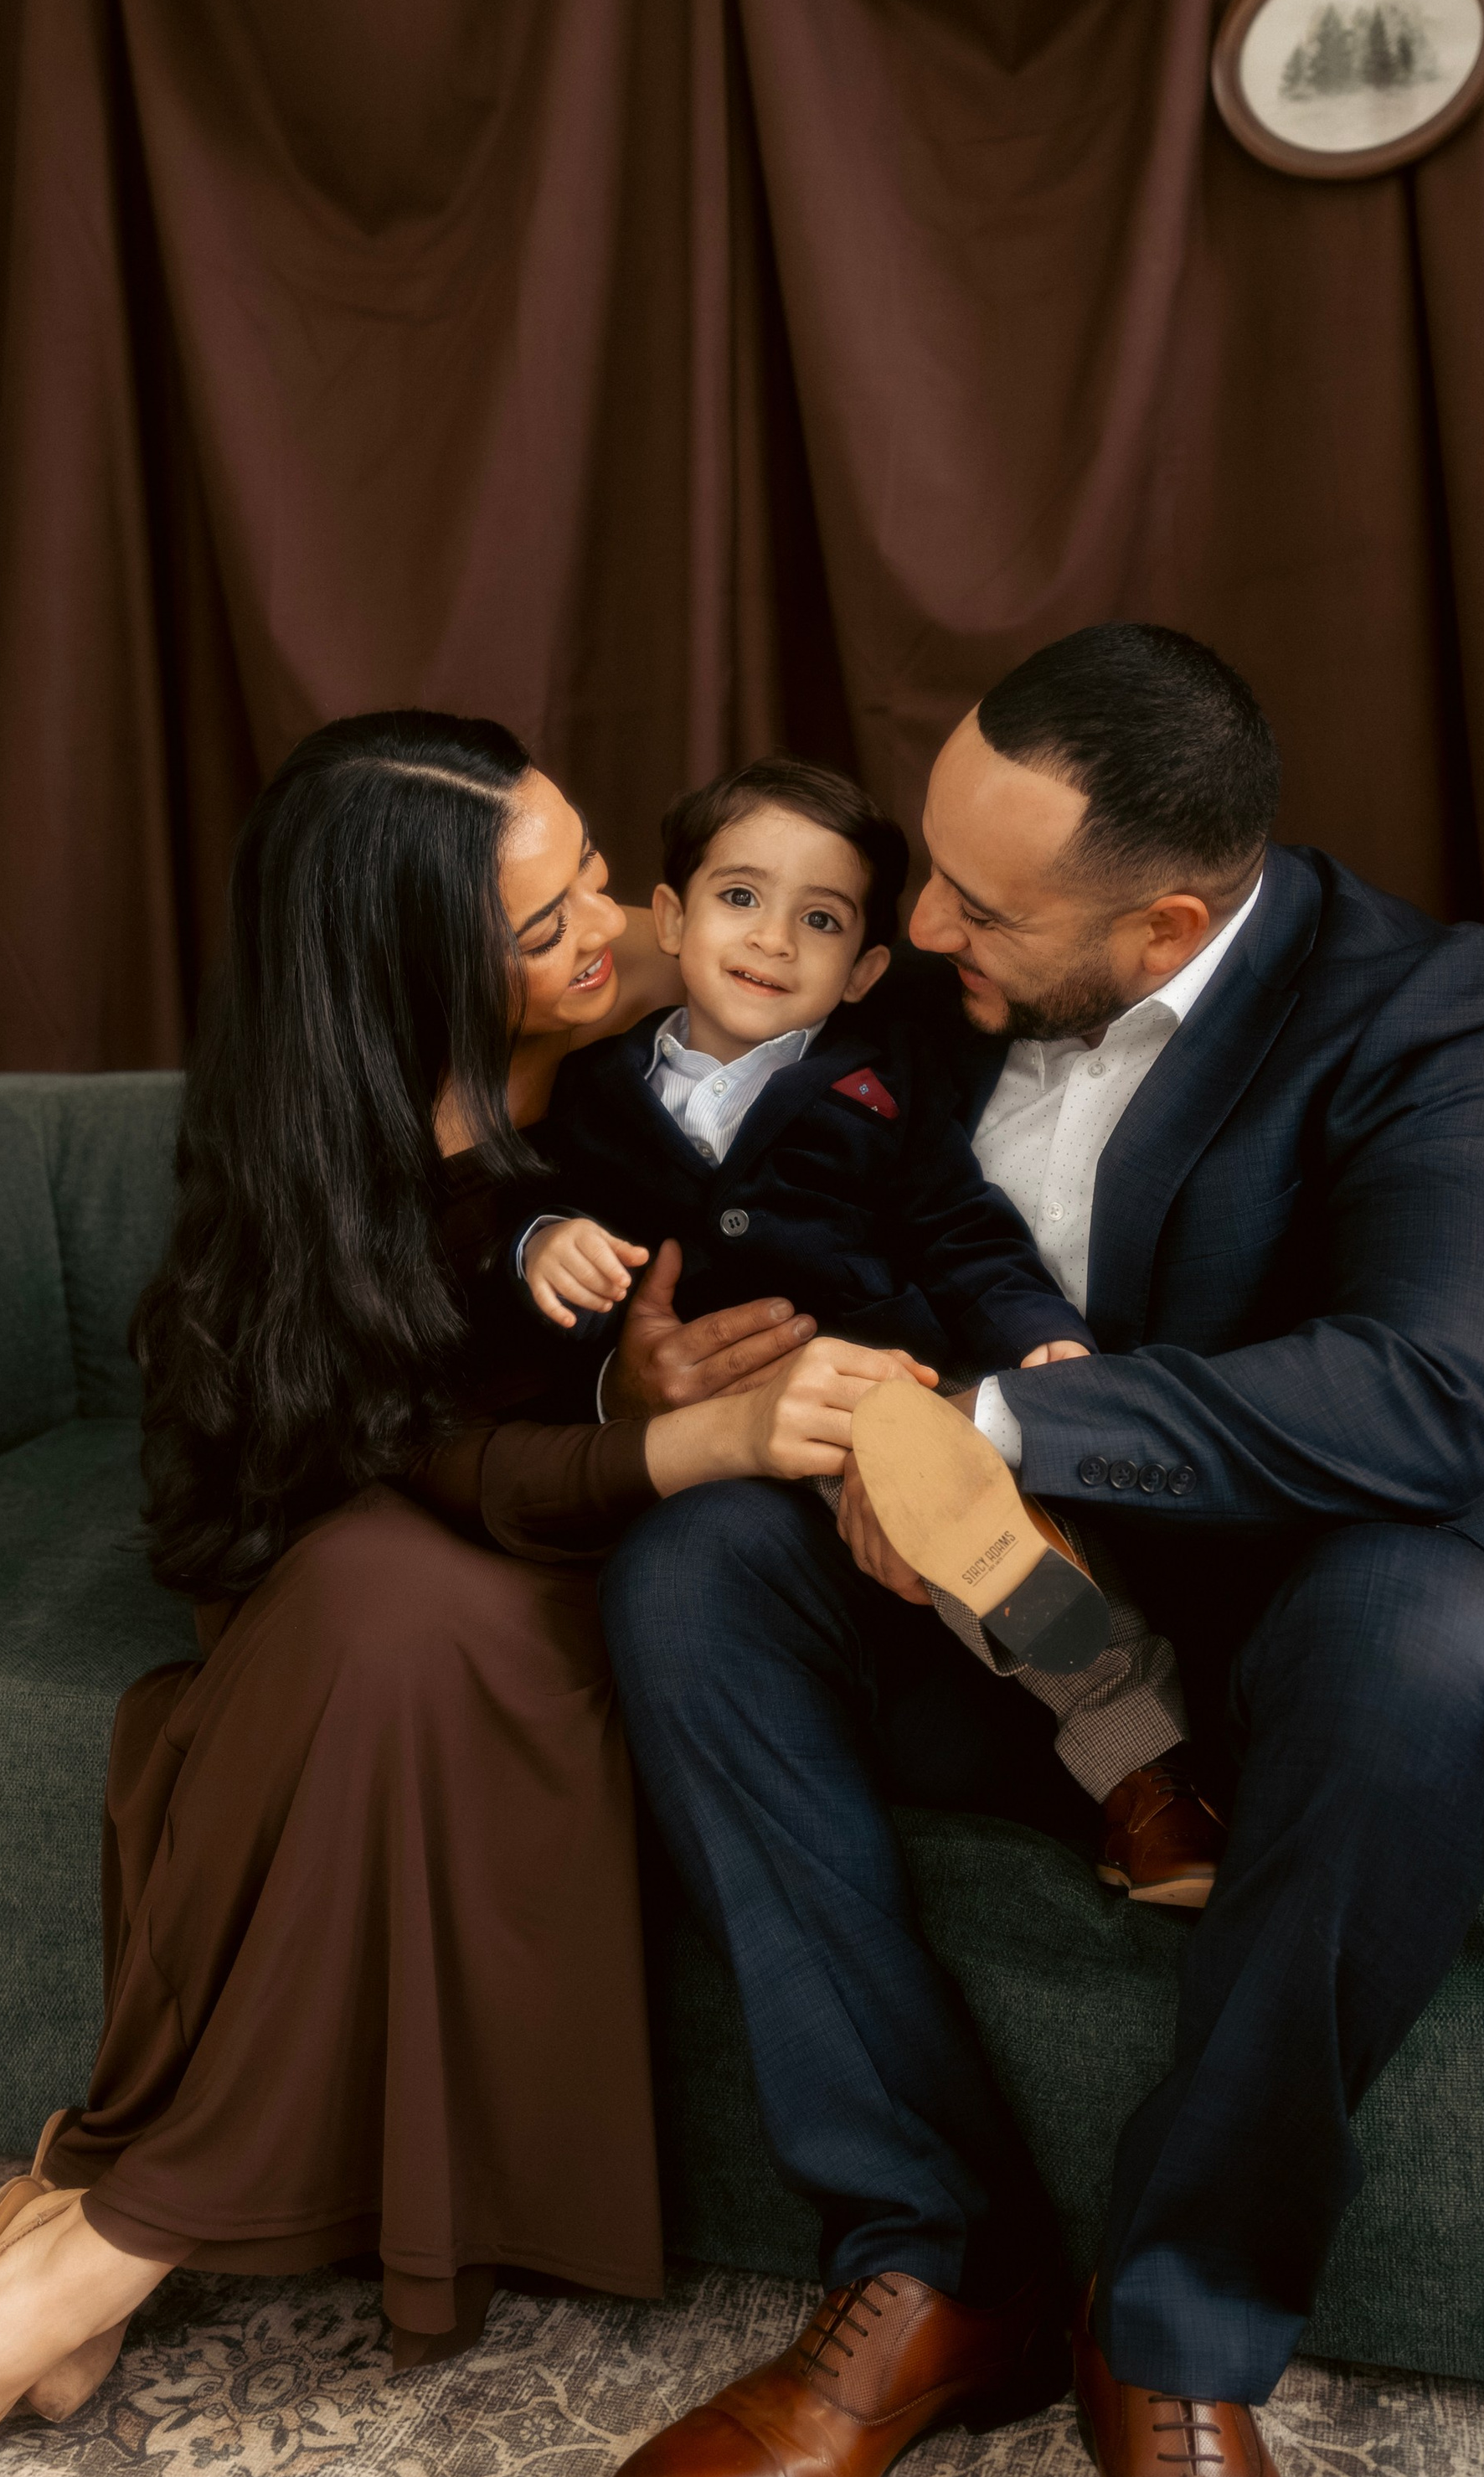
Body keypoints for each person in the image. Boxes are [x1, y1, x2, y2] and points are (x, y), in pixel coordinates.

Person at [0, 710, 925, 2477]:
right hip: (364, 1543)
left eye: (594, 875)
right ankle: (101, 2242)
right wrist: (662, 1428)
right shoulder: (332, 1139)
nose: (619, 925)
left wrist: (647, 1394)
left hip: (557, 1558)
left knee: (404, 1612)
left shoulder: (685, 1023)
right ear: (407, 978)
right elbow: (396, 1459)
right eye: (546, 919)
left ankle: (94, 2236)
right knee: (379, 1596)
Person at [593, 627, 1484, 2477]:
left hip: (1287, 1612)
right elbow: (730, 1181)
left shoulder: (1430, 1005)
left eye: (980, 909)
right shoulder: (917, 989)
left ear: (1164, 922)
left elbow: (1433, 1395)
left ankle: (1171, 2344)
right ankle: (929, 2263)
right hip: (962, 1613)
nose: (919, 929)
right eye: (927, 875)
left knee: (1425, 1633)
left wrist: (997, 1430)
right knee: (692, 1567)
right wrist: (659, 1361)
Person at [522, 751, 1225, 1896]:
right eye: (739, 898)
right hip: (718, 1435)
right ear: (672, 917)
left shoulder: (879, 1084)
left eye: (822, 920)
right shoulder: (590, 1094)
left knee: (977, 1526)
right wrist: (541, 1241)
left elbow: (964, 1229)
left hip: (880, 1389)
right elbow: (527, 1223)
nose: (773, 941)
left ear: (864, 971)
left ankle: (1143, 1769)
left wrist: (1039, 1331)